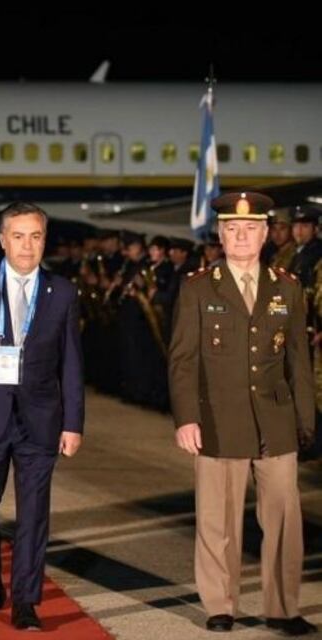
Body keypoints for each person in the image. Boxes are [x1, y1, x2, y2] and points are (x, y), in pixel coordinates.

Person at [168, 191, 317, 636]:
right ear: (221, 233)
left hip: (276, 421)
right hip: (217, 419)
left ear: (266, 233)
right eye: (232, 229)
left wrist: (305, 422)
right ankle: (220, 603)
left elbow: (298, 362)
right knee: (218, 519)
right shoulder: (198, 286)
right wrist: (186, 418)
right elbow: (182, 360)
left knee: (285, 521)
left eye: (251, 229)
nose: (241, 237)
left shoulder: (287, 287)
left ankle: (282, 607)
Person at [0, 201, 84, 631]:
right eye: (19, 236)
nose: (27, 246)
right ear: (3, 240)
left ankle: (26, 600)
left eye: (36, 236)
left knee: (33, 514)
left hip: (41, 421)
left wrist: (73, 422)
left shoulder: (61, 291)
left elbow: (72, 363)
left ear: (45, 240)